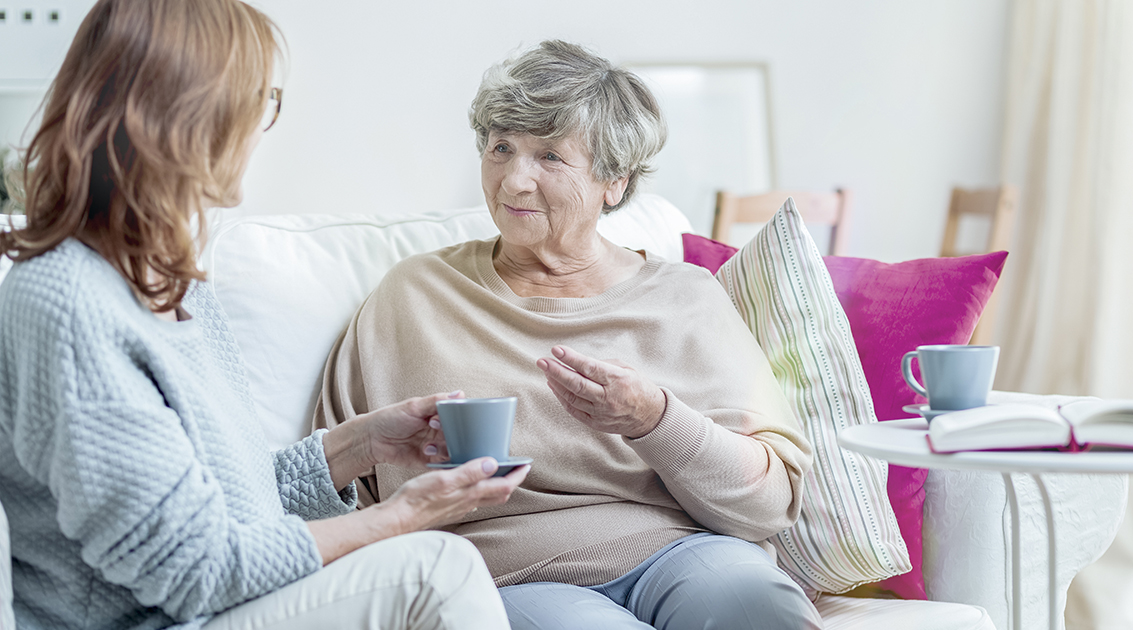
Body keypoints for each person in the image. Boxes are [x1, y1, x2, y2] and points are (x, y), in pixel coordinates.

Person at [0, 1, 526, 629]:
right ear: (189, 111)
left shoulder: (177, 288)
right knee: (434, 570)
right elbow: (196, 568)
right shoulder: (67, 304)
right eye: (261, 99)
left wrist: (361, 444)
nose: (263, 125)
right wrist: (401, 517)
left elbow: (230, 509)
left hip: (218, 606)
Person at [315, 40, 824, 629]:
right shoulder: (415, 296)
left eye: (549, 156)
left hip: (682, 550)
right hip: (511, 572)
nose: (513, 181)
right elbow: (331, 484)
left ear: (615, 181)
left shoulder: (686, 298)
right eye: (500, 148)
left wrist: (655, 420)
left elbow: (769, 504)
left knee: (760, 606)